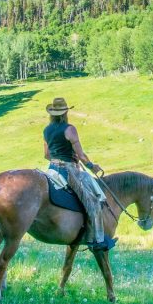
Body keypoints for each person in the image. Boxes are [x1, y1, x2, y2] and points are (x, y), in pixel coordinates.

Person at [43, 97, 113, 250]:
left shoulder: (46, 130)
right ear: (65, 112)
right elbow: (81, 155)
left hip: (52, 169)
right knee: (93, 202)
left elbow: (46, 155)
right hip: (69, 171)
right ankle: (97, 240)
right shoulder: (69, 129)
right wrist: (91, 166)